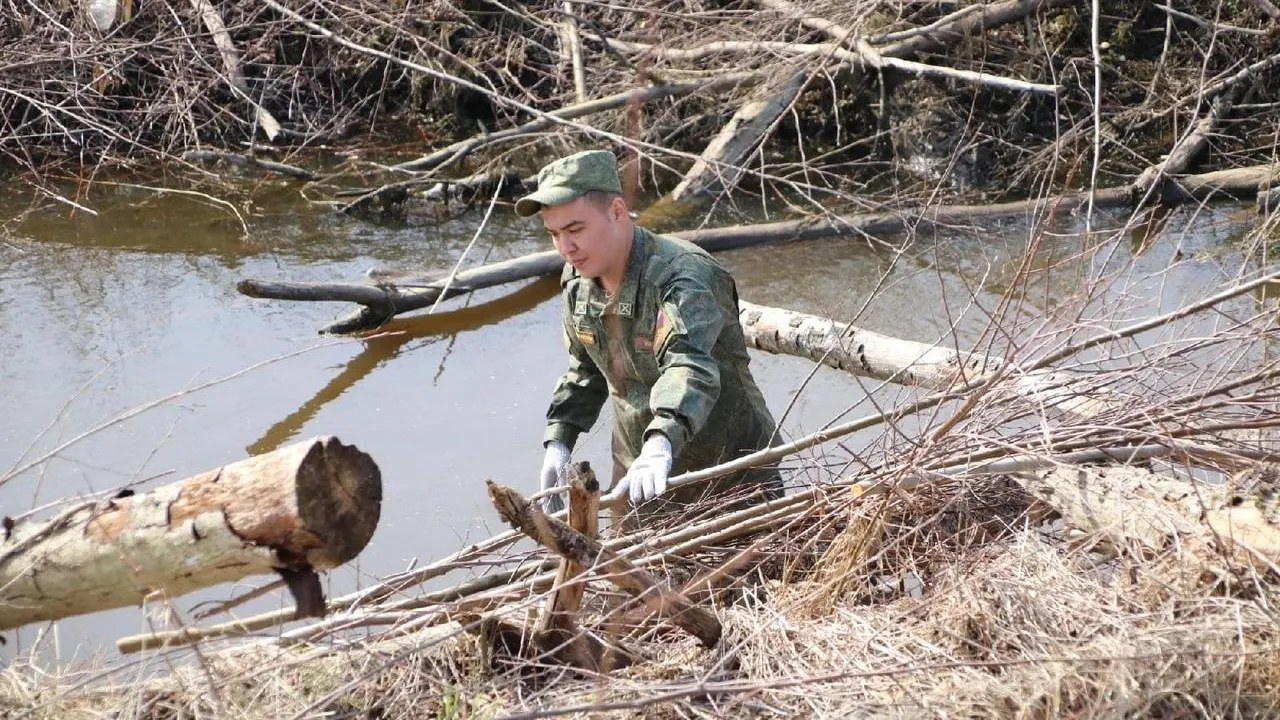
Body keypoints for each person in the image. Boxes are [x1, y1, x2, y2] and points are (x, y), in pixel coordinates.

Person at [516, 148, 782, 523]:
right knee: (631, 578)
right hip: (636, 476)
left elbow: (689, 367)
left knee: (743, 579)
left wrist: (660, 443)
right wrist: (559, 442)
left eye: (575, 230)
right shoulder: (577, 283)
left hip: (727, 472)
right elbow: (585, 370)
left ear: (617, 212)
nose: (565, 247)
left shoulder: (683, 276)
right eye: (554, 234)